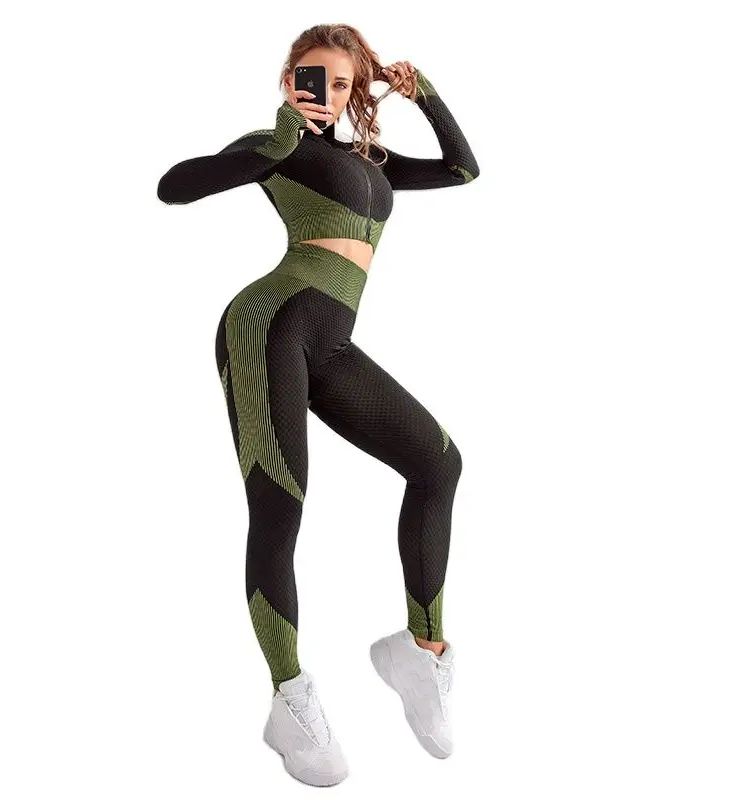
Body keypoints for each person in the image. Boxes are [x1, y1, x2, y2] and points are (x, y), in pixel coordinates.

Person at [157, 23, 479, 786]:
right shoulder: (279, 148)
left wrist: (424, 94)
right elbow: (174, 186)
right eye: (313, 79)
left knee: (438, 464)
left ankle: (420, 652)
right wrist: (274, 138)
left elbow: (462, 170)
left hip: (331, 344)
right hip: (267, 327)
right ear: (288, 79)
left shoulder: (370, 160)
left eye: (342, 83)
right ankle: (290, 697)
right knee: (281, 508)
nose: (327, 95)